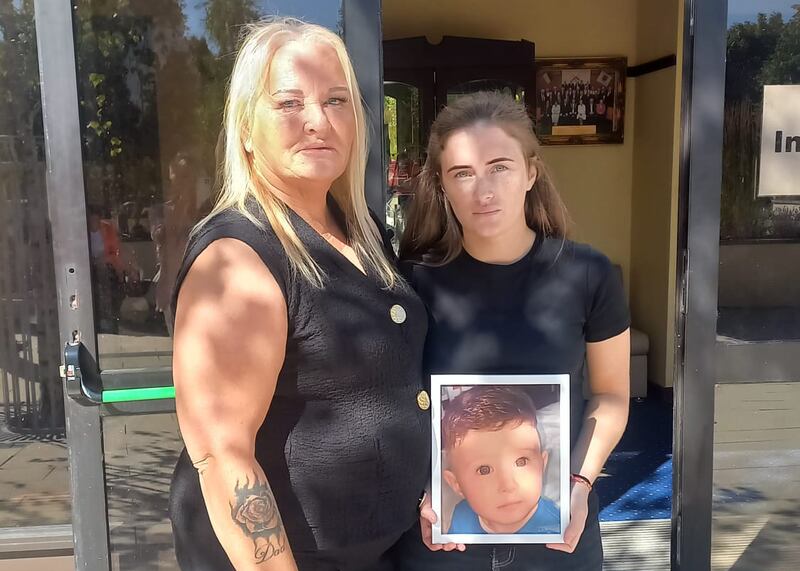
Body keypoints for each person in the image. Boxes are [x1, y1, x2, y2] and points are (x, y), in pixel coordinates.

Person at [168, 18, 429, 570]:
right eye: (289, 103)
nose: (318, 121)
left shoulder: (361, 231)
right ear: (246, 129)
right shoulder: (237, 258)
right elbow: (222, 453)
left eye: (336, 101)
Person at [394, 91, 630, 570]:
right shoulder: (412, 282)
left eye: (499, 167)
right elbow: (395, 404)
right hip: (443, 541)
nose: (483, 190)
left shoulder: (589, 274)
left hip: (560, 537)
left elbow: (611, 396)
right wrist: (426, 487)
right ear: (442, 185)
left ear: (530, 173)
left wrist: (579, 484)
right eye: (463, 173)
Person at [441, 386, 559, 535]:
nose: (508, 486)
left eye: (521, 462)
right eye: (484, 470)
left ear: (542, 465)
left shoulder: (555, 529)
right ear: (456, 484)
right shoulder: (461, 517)